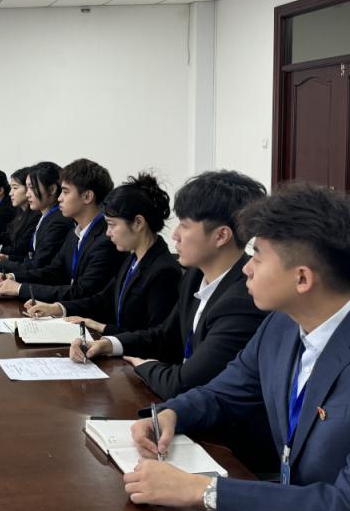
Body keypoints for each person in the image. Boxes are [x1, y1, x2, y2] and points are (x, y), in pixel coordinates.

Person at [123, 184, 350, 511]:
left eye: (258, 255)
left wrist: (202, 491)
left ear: (302, 278)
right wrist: (172, 413)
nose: (246, 267)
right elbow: (223, 394)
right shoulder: (281, 325)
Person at [72, 171, 268, 400]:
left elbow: (184, 383)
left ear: (221, 236)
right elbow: (165, 336)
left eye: (184, 225)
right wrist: (108, 344)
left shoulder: (243, 300)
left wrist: (143, 365)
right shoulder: (194, 276)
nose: (175, 235)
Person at [37, 173, 180, 332]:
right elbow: (103, 300)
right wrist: (58, 308)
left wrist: (103, 328)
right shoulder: (132, 259)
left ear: (138, 223)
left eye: (112, 225)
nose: (108, 233)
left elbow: (156, 337)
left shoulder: (164, 271)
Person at [0, 158, 121, 302]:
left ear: (87, 197)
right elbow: (54, 271)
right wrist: (12, 276)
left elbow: (81, 292)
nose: (60, 198)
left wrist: (20, 288)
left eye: (65, 192)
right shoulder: (74, 233)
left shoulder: (106, 239)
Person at [0, 161, 73, 276]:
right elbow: (34, 258)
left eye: (32, 188)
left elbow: (39, 265)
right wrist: (8, 258)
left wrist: (1, 264)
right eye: (27, 188)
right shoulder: (46, 216)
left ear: (52, 189)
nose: (28, 194)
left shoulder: (58, 221)